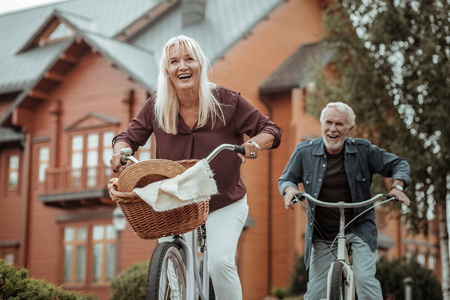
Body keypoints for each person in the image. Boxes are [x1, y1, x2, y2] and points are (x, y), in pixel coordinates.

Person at [110, 35, 282, 300]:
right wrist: (120, 151)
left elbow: (270, 129)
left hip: (224, 202)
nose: (182, 66)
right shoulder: (157, 104)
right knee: (174, 273)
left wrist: (255, 144)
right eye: (174, 61)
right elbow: (128, 137)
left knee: (219, 264)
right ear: (167, 71)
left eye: (189, 59)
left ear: (200, 64)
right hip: (175, 202)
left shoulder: (226, 101)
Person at [278, 102, 410, 300]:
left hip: (359, 228)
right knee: (314, 293)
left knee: (365, 281)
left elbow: (398, 163)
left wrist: (397, 186)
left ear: (350, 128)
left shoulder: (363, 150)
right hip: (323, 232)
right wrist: (290, 191)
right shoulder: (304, 151)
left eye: (339, 124)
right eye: (328, 122)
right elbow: (286, 178)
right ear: (321, 123)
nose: (332, 129)